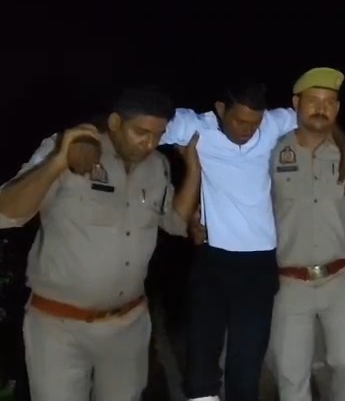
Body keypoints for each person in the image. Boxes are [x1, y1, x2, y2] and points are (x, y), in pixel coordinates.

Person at [158, 77, 345, 401]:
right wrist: (87, 137)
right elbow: (139, 125)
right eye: (240, 121)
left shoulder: (271, 123)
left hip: (259, 266)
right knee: (201, 367)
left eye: (254, 123)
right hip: (213, 260)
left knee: (246, 367)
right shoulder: (196, 126)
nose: (247, 130)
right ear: (221, 109)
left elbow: (318, 119)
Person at [0, 86, 200, 401]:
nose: (149, 143)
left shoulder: (157, 166)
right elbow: (6, 214)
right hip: (59, 327)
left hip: (128, 326)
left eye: (158, 135)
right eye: (141, 132)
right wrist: (58, 162)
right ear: (116, 122)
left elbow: (174, 223)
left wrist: (194, 170)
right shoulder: (70, 148)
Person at [265, 67, 345, 401]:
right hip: (288, 282)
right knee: (291, 374)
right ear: (296, 103)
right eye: (313, 100)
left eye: (329, 102)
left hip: (341, 278)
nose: (321, 108)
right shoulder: (271, 151)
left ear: (337, 109)